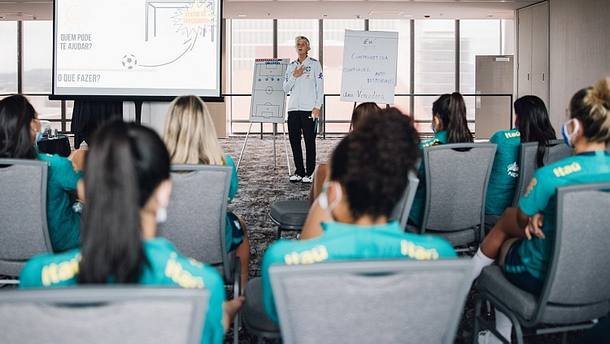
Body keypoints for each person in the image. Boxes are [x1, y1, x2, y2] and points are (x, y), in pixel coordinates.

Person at [19, 121, 243, 344]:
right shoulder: (203, 286)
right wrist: (225, 313)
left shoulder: (36, 277)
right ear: (165, 192)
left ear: (88, 189)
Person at [241, 109, 456, 326]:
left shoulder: (281, 259)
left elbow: (280, 317)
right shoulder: (441, 255)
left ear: (333, 192)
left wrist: (323, 202)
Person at [473, 78, 610, 343]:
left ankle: (497, 332)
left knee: (507, 242)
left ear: (576, 127)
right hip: (601, 282)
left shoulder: (551, 176)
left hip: (541, 277)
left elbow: (523, 221)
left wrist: (538, 214)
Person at [163, 95, 250, 287]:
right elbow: (230, 196)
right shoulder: (224, 164)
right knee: (240, 226)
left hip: (167, 259)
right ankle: (242, 292)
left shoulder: (156, 167)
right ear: (207, 127)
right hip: (215, 260)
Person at [0, 95, 82, 252]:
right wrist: (77, 160)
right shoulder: (55, 165)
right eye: (37, 118)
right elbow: (90, 190)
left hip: (5, 251)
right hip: (60, 250)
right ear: (33, 125)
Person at [408, 92, 473, 228]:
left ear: (436, 119)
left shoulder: (425, 149)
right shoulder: (477, 151)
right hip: (466, 222)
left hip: (424, 221)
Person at [485, 96, 557, 217]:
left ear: (520, 117)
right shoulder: (551, 143)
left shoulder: (501, 138)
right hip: (530, 211)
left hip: (494, 211)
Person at [308, 102, 382, 203]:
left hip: (359, 201)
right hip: (374, 200)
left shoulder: (352, 146)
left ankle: (317, 212)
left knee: (321, 170)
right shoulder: (388, 146)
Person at [283, 35, 324, 184]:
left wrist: (317, 106)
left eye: (303, 44)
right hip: (293, 109)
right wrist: (294, 75)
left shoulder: (314, 65)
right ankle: (299, 171)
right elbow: (285, 88)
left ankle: (310, 172)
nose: (300, 46)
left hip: (309, 110)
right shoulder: (291, 66)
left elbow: (320, 88)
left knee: (309, 141)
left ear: (308, 48)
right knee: (294, 141)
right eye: (298, 44)